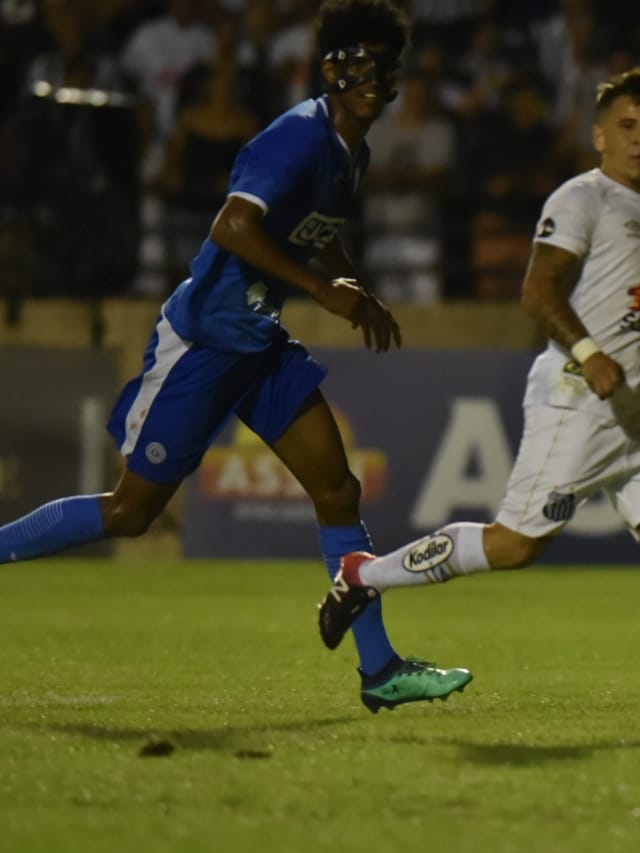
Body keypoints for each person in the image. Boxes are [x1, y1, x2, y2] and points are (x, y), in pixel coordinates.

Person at [318, 67, 640, 737]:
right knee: (513, 546)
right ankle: (364, 574)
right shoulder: (583, 197)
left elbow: (632, 318)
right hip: (576, 400)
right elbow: (538, 290)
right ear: (599, 135)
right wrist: (590, 356)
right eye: (627, 127)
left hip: (633, 410)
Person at [0, 0, 471, 714]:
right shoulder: (298, 136)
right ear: (337, 70)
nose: (380, 79)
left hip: (259, 343)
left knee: (337, 490)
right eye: (366, 64)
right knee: (131, 511)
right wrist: (321, 289)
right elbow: (234, 224)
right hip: (208, 342)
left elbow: (316, 231)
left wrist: (349, 284)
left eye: (388, 66)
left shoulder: (353, 152)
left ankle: (380, 671)